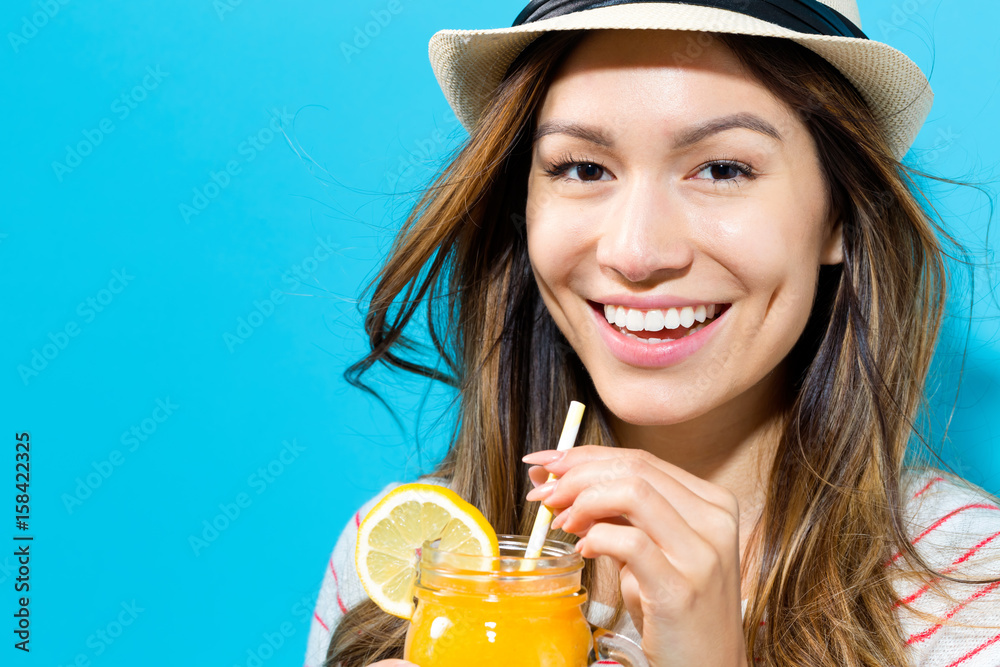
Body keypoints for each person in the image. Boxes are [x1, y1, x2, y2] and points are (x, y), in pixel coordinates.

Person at [306, 1, 1000, 666]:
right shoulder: (395, 561)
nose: (636, 253)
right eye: (582, 168)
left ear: (839, 216)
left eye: (723, 169)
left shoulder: (976, 597)